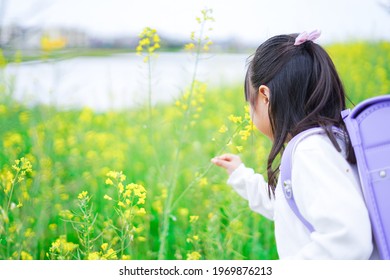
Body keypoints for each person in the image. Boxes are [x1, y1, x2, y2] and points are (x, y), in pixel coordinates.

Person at [211, 31, 375, 259]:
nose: (250, 112)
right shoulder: (331, 142)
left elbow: (348, 239)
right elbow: (289, 206)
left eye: (250, 103)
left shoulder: (311, 152)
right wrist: (240, 175)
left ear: (265, 96)